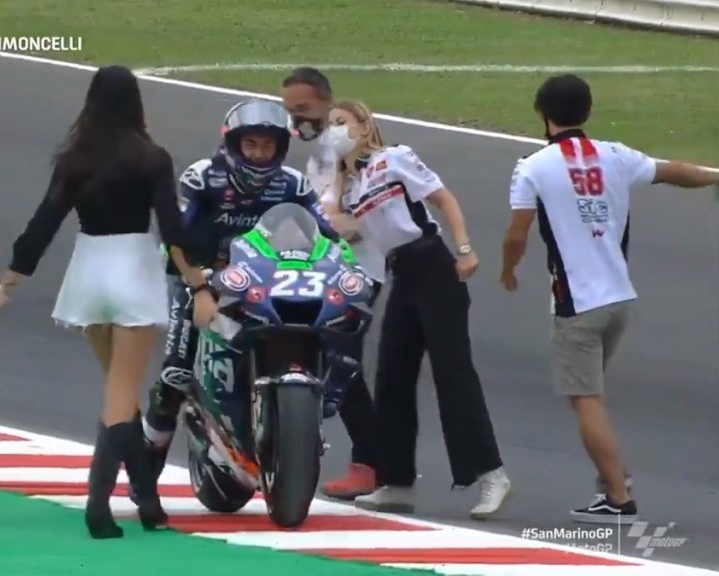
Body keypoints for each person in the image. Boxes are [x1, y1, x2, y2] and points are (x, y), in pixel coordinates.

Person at [0, 65, 207, 539]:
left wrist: (5, 288)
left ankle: (148, 502)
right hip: (133, 271)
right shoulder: (152, 158)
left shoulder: (75, 159)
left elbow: (42, 225)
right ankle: (98, 506)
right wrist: (198, 286)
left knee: (122, 393)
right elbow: (173, 230)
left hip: (88, 274)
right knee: (120, 394)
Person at [500, 74, 719, 524]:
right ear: (588, 112)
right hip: (619, 298)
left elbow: (517, 233)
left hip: (577, 304)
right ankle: (616, 475)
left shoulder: (532, 166)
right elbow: (675, 172)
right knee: (588, 394)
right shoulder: (616, 154)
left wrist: (508, 270)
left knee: (585, 398)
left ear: (543, 114)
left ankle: (618, 497)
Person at [137, 98, 344, 492]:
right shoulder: (203, 177)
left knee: (325, 322)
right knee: (176, 373)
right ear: (234, 144)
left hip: (264, 277)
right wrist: (198, 284)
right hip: (199, 274)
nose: (260, 154)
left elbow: (325, 234)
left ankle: (302, 407)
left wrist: (342, 265)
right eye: (251, 144)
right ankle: (145, 473)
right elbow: (174, 235)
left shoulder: (293, 183)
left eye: (268, 146)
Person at [325, 98, 511, 519]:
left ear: (364, 125)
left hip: (433, 264)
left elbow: (443, 199)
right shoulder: (351, 186)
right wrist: (337, 175)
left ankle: (491, 473)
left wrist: (465, 248)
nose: (334, 130)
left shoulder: (395, 158)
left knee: (452, 371)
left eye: (341, 121)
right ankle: (396, 481)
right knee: (391, 375)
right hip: (400, 273)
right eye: (328, 125)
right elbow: (339, 224)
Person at [281, 67, 384, 500]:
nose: (296, 119)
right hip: (325, 271)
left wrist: (332, 223)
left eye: (303, 108)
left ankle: (371, 463)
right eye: (290, 111)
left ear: (326, 102)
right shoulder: (318, 157)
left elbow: (356, 220)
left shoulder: (355, 153)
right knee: (325, 358)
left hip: (360, 273)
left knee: (342, 363)